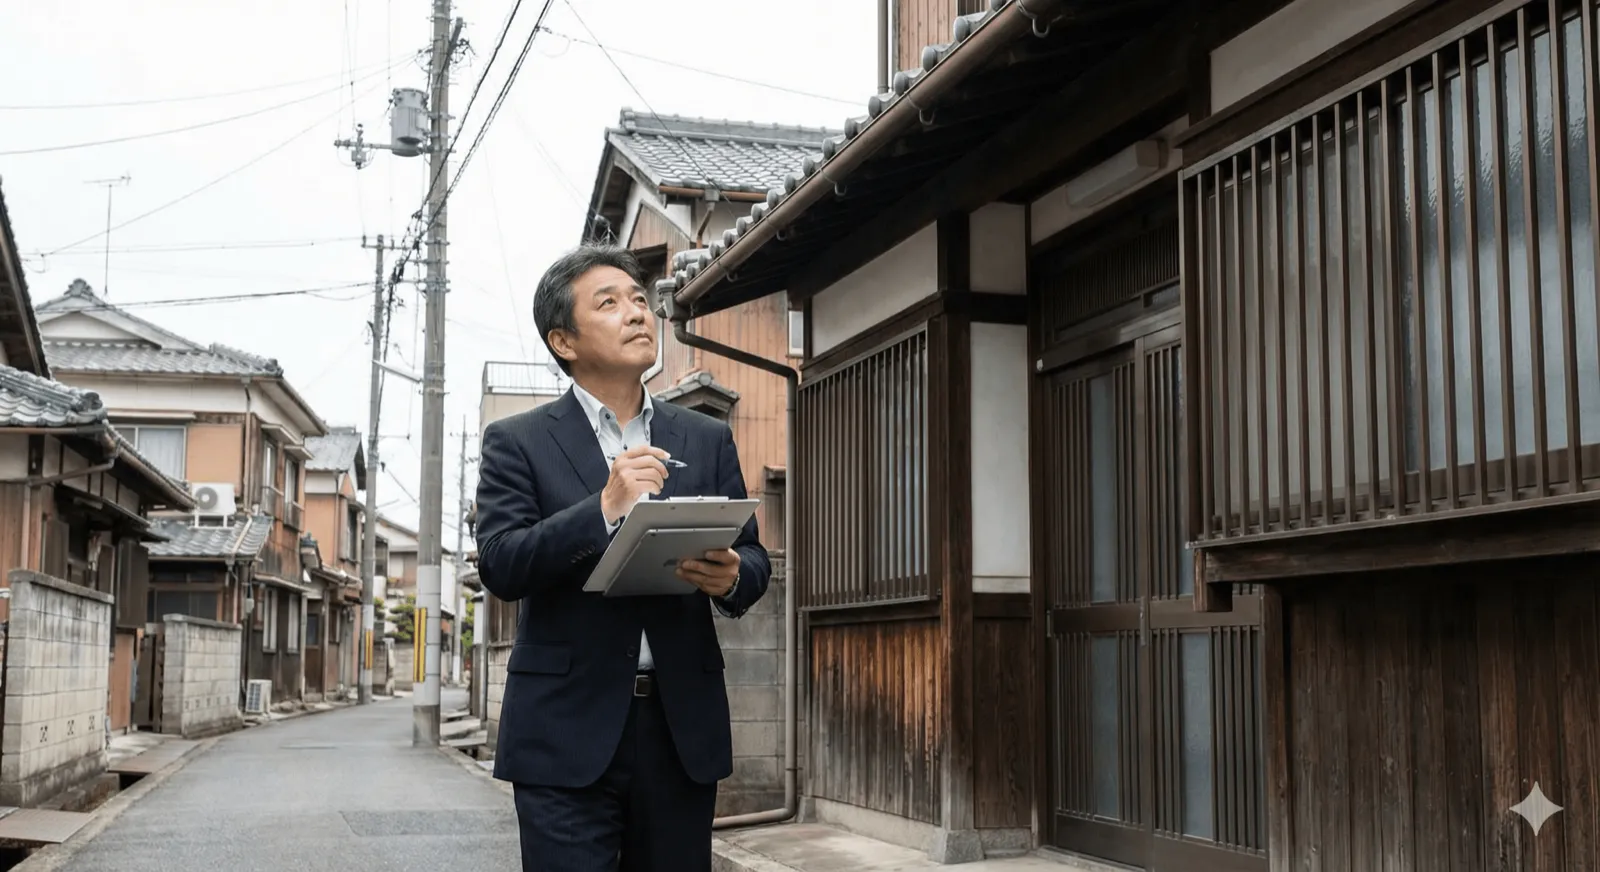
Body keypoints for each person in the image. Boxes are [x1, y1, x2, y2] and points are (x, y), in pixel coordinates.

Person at [474, 243, 771, 871]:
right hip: (563, 729)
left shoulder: (706, 436)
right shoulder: (518, 441)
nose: (638, 312)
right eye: (609, 303)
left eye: (640, 299)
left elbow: (753, 556)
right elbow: (500, 563)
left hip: (678, 725)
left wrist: (733, 575)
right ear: (564, 341)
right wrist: (603, 507)